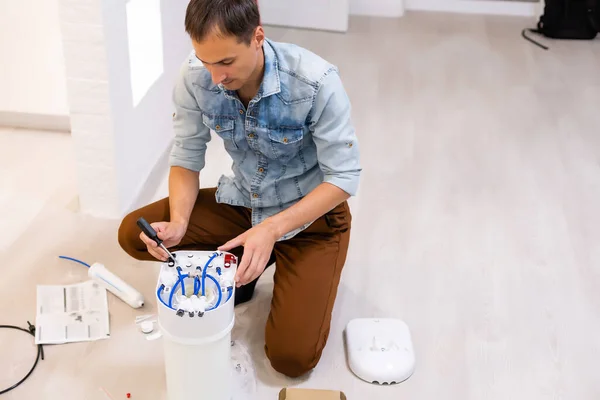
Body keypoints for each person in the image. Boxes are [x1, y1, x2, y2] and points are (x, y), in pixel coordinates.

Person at [118, 0, 361, 378]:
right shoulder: (195, 75)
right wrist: (180, 222)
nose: (215, 76)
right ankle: (244, 263)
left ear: (257, 37)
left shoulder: (315, 81)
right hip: (245, 204)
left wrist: (272, 231)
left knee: (291, 360)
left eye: (226, 62)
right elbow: (185, 156)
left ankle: (272, 258)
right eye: (205, 60)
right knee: (133, 233)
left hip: (312, 222)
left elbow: (343, 178)